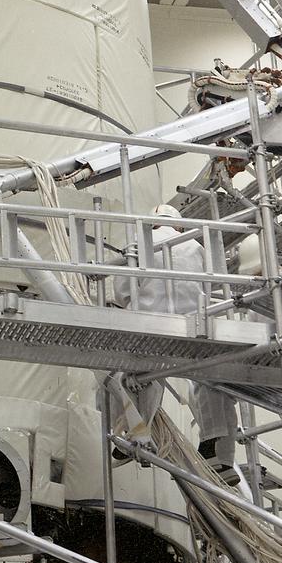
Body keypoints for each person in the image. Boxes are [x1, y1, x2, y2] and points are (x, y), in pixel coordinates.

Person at [110, 204, 241, 483]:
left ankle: (135, 434)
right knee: (212, 383)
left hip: (150, 328)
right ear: (179, 226)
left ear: (152, 223)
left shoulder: (138, 245)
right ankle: (219, 454)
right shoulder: (197, 247)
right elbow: (209, 289)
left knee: (136, 378)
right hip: (191, 330)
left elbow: (122, 291)